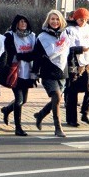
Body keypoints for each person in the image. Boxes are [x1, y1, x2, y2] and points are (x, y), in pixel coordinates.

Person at [32, 10, 71, 138]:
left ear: (61, 21)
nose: (55, 21)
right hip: (48, 72)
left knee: (57, 100)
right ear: (48, 21)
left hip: (62, 72)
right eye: (52, 19)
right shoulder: (42, 37)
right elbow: (37, 56)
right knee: (57, 97)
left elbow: (69, 54)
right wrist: (35, 73)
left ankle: (41, 114)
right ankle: (58, 127)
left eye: (57, 19)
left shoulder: (65, 35)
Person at [0, 14, 36, 137]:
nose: (23, 24)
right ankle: (18, 127)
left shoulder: (32, 36)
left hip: (28, 72)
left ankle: (6, 110)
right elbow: (9, 53)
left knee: (23, 100)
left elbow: (34, 54)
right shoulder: (10, 35)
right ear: (16, 23)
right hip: (15, 71)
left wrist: (22, 56)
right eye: (20, 22)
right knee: (19, 99)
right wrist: (21, 56)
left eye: (25, 22)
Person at [64, 7, 89, 127]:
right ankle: (71, 119)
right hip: (75, 64)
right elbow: (68, 47)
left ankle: (85, 112)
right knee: (72, 92)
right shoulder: (70, 30)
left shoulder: (88, 28)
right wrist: (80, 49)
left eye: (85, 19)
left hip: (88, 63)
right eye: (81, 19)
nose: (83, 22)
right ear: (76, 18)